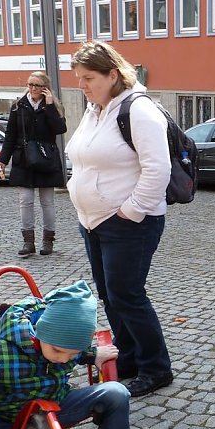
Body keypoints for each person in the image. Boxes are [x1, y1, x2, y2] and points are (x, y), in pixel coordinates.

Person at [66, 41, 174, 398]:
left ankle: (156, 367)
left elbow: (158, 168)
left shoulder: (139, 109)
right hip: (93, 220)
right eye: (78, 78)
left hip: (128, 222)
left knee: (127, 294)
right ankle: (128, 356)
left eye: (89, 78)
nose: (82, 85)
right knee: (110, 295)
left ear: (113, 74)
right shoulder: (95, 109)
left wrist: (131, 211)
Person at [0, 281, 153, 429]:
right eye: (58, 351)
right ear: (40, 333)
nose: (63, 359)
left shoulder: (65, 347)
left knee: (116, 393)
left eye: (72, 355)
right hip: (6, 420)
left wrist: (92, 355)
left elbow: (73, 349)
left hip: (56, 407)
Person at [0, 71, 67, 257]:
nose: (33, 88)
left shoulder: (54, 106)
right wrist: (2, 159)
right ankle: (28, 242)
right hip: (23, 159)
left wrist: (49, 106)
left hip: (45, 158)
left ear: (45, 87)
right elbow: (10, 135)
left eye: (37, 85)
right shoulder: (18, 106)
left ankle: (48, 241)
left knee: (47, 202)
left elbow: (60, 129)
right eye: (30, 84)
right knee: (25, 201)